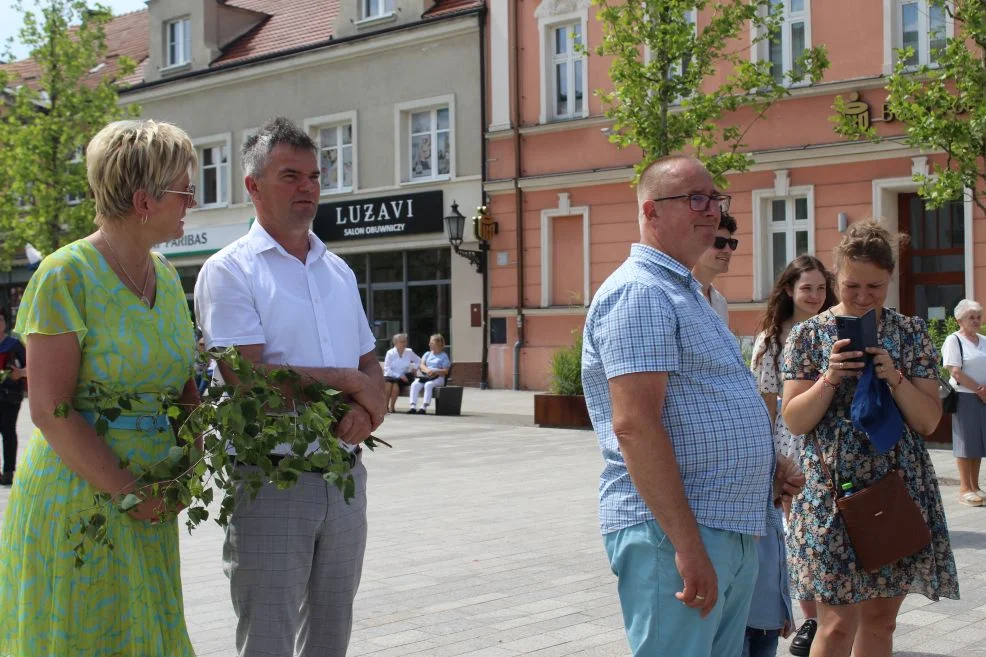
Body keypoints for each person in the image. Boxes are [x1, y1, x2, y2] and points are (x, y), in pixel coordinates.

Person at [582, 155, 802, 657]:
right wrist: (686, 546)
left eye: (716, 198)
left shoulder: (687, 293)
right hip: (677, 531)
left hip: (724, 523)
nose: (712, 211)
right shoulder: (641, 292)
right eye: (695, 198)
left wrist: (763, 470)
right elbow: (635, 426)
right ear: (651, 211)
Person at [0, 119, 200, 656]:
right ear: (143, 200)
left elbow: (184, 383)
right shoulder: (66, 275)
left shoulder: (168, 278)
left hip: (152, 498)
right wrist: (128, 490)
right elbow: (49, 408)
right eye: (185, 190)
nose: (192, 203)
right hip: (81, 500)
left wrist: (191, 461)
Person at [194, 116, 385, 657]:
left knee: (331, 636)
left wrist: (369, 411)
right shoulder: (230, 271)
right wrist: (348, 382)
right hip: (271, 476)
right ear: (253, 186)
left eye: (314, 176)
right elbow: (247, 378)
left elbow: (370, 364)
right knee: (270, 638)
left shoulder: (337, 271)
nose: (307, 188)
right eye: (290, 176)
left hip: (344, 476)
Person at [782, 220, 959, 657]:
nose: (862, 297)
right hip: (830, 492)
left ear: (890, 280)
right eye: (851, 285)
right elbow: (795, 420)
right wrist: (828, 378)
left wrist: (894, 377)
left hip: (895, 488)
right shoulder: (807, 335)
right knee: (838, 623)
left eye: (875, 287)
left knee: (881, 621)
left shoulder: (910, 332)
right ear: (834, 277)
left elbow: (928, 420)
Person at [750, 255, 836, 656]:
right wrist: (768, 461)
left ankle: (833, 618)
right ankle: (812, 620)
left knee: (830, 534)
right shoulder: (772, 340)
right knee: (798, 536)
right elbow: (765, 403)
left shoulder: (836, 330)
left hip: (831, 445)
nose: (815, 296)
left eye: (821, 288)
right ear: (788, 290)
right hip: (789, 447)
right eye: (807, 288)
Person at [941, 298, 986, 506]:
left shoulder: (983, 340)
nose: (976, 321)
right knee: (965, 442)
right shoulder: (954, 340)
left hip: (983, 396)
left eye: (978, 317)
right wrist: (979, 390)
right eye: (971, 317)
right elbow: (955, 372)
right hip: (965, 396)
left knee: (978, 442)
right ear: (959, 319)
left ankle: (976, 486)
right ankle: (964, 488)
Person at [691, 211, 738, 322]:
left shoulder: (720, 302)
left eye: (731, 243)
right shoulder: (679, 297)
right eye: (719, 242)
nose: (728, 250)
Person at [0, 310, 26, 485]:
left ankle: (8, 471)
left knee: (7, 431)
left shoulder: (14, 344)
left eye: (0, 319)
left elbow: (32, 365)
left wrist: (20, 373)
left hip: (10, 396)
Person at [407, 333, 450, 414]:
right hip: (426, 376)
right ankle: (413, 406)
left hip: (438, 378)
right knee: (415, 384)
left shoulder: (444, 356)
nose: (429, 344)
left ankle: (424, 407)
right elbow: (421, 365)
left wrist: (435, 371)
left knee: (428, 385)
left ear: (439, 344)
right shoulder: (427, 354)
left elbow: (446, 371)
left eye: (432, 343)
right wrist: (428, 371)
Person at [383, 332, 419, 413]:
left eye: (405, 341)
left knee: (395, 384)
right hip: (390, 375)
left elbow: (418, 360)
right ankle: (385, 407)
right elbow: (386, 368)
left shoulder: (409, 352)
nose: (404, 343)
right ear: (395, 343)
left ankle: (392, 407)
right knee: (389, 384)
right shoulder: (390, 353)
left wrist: (415, 368)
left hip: (404, 376)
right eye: (402, 342)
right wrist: (398, 375)